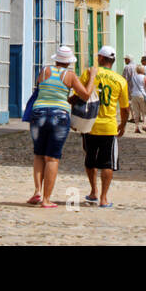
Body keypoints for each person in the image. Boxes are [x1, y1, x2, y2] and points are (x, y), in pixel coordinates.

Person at [28, 45, 95, 208]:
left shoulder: (44, 71)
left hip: (38, 112)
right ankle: (46, 199)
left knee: (38, 154)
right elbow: (85, 95)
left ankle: (37, 192)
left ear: (56, 59)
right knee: (52, 158)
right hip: (59, 115)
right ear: (69, 62)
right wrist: (92, 76)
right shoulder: (70, 75)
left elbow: (42, 89)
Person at [82, 46, 129, 207]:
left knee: (90, 159)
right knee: (107, 163)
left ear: (101, 58)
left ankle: (93, 191)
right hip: (109, 126)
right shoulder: (120, 81)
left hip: (89, 124)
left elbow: (79, 95)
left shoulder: (89, 73)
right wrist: (123, 124)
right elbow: (124, 108)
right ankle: (103, 198)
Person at [122, 55, 146, 134]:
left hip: (133, 94)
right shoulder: (144, 77)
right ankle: (144, 125)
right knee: (144, 111)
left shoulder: (133, 76)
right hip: (142, 95)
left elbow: (124, 78)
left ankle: (137, 127)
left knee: (136, 112)